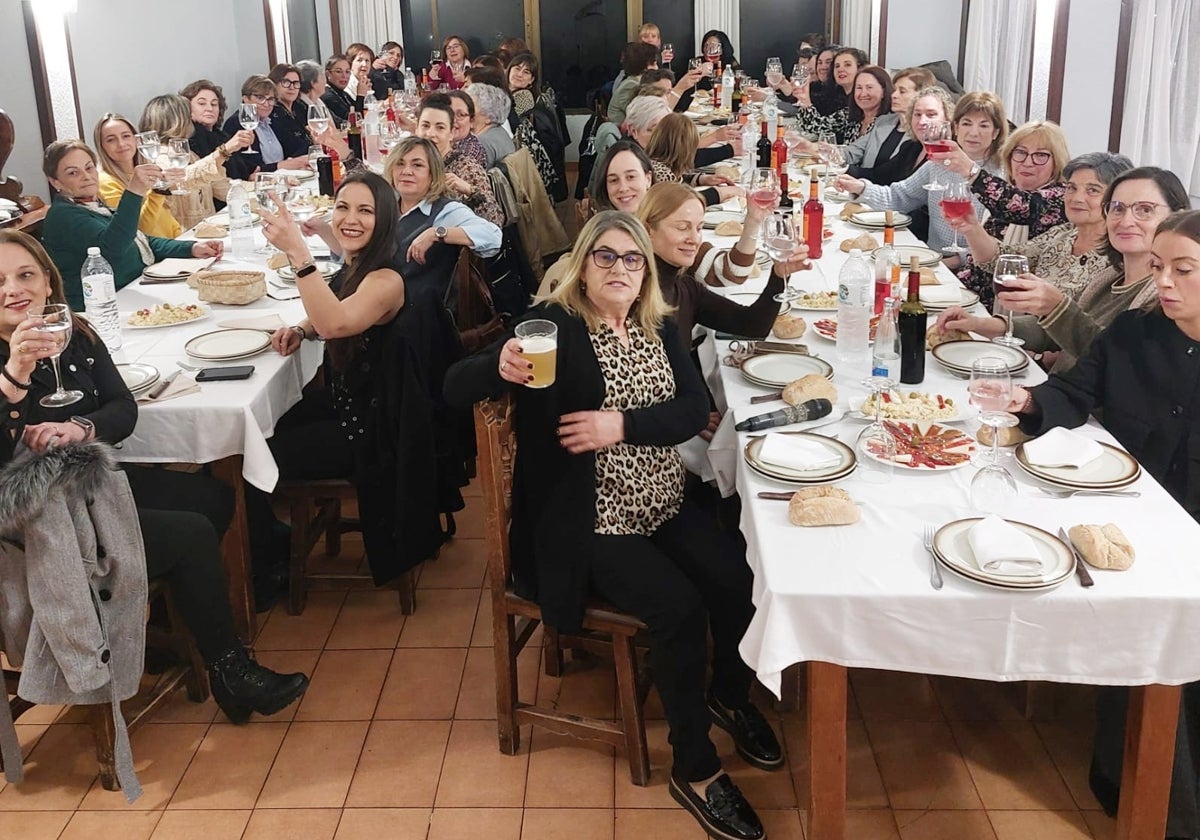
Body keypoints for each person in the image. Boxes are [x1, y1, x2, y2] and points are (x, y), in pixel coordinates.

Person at [444, 211, 777, 840]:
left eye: (632, 259)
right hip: (586, 522)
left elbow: (692, 410)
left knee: (738, 580)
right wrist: (500, 367)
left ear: (646, 270)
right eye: (605, 256)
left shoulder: (656, 323)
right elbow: (454, 385)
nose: (620, 268)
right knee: (680, 611)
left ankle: (728, 694)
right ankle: (696, 769)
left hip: (661, 501)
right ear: (582, 264)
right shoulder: (556, 328)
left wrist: (619, 424)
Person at [0, 229, 309, 723]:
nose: (13, 289)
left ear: (47, 281)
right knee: (190, 534)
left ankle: (151, 627)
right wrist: (14, 376)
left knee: (211, 499)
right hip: (38, 521)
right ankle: (231, 673)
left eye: (25, 274)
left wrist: (81, 427)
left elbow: (124, 408)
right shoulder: (9, 360)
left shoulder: (74, 332)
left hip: (90, 484)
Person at [1003, 209, 1200, 840]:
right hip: (1127, 518)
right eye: (1162, 267)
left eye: (1184, 270)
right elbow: (1076, 394)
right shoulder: (1135, 333)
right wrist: (1028, 400)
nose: (1164, 282)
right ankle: (1131, 784)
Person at [937, 165, 1188, 372]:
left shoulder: (1168, 295)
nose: (1126, 220)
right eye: (1118, 208)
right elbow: (1049, 331)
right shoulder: (1109, 277)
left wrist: (1057, 307)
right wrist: (977, 324)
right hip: (1059, 394)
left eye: (1144, 210)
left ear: (1177, 216)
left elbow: (1119, 362)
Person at [41, 140, 222, 310]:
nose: (86, 176)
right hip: (102, 308)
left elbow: (140, 240)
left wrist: (192, 248)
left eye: (89, 168)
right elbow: (113, 247)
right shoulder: (63, 214)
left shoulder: (89, 204)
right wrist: (134, 191)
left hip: (132, 290)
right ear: (55, 181)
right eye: (73, 172)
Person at [835, 90, 1008, 257]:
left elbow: (1003, 242)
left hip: (975, 269)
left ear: (996, 132)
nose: (973, 132)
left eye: (984, 125)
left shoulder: (1002, 176)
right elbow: (898, 197)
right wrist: (861, 187)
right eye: (966, 123)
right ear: (955, 127)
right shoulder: (939, 164)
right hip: (933, 259)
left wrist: (958, 261)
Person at [139, 94, 249, 230]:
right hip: (180, 238)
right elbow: (182, 178)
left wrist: (261, 187)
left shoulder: (189, 155)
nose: (191, 120)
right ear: (176, 121)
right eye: (187, 116)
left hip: (209, 234)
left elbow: (221, 187)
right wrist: (224, 150)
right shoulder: (156, 158)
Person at [415, 93, 504, 227]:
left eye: (440, 127)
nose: (430, 134)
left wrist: (470, 191)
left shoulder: (466, 168)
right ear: (416, 129)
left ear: (451, 133)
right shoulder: (410, 163)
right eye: (425, 126)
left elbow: (495, 223)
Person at [93, 113, 182, 239]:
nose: (121, 144)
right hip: (154, 255)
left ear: (136, 140)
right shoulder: (105, 183)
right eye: (111, 139)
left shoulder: (144, 171)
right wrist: (158, 192)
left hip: (173, 245)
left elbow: (167, 222)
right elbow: (139, 231)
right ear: (101, 146)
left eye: (126, 136)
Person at [222, 75, 309, 181]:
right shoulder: (236, 124)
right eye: (260, 98)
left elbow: (300, 145)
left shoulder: (272, 120)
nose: (267, 104)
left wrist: (291, 161)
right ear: (245, 99)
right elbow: (249, 170)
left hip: (282, 179)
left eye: (271, 99)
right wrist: (285, 165)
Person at [507, 51, 568, 204]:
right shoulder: (508, 95)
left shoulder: (524, 98)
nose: (519, 74)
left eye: (526, 72)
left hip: (525, 161)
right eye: (517, 68)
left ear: (531, 80)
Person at [643, 114, 740, 206]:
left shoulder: (657, 163)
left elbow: (677, 182)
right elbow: (680, 203)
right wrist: (719, 193)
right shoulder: (660, 172)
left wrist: (699, 179)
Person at [794, 64, 893, 145]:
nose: (863, 93)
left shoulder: (889, 122)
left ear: (884, 91)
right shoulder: (849, 114)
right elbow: (817, 126)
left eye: (869, 87)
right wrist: (805, 100)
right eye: (859, 88)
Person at [608, 42, 661, 127]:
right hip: (623, 136)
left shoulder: (638, 82)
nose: (657, 68)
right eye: (654, 63)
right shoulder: (630, 85)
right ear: (644, 65)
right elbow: (645, 116)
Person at [465, 82, 516, 168]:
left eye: (471, 108)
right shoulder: (501, 132)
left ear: (489, 117)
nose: (466, 112)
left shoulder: (480, 144)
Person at [266, 63, 312, 157]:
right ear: (274, 84)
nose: (292, 87)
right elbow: (291, 147)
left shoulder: (301, 106)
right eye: (286, 82)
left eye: (296, 83)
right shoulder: (270, 110)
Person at [180, 79, 232, 160]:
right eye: (202, 103)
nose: (210, 108)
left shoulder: (224, 137)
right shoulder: (187, 139)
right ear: (187, 107)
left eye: (214, 104)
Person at [446, 89, 488, 169]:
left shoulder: (470, 151)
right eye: (449, 113)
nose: (453, 120)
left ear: (471, 121)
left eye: (460, 115)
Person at [321, 54, 357, 123]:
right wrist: (361, 95)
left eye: (347, 72)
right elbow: (352, 120)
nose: (344, 76)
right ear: (328, 74)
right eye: (339, 71)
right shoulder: (327, 95)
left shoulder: (344, 93)